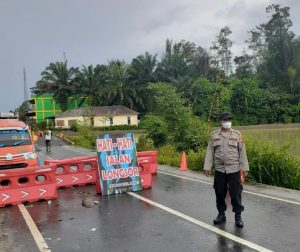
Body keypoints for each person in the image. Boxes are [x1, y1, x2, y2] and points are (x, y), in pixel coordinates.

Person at [204, 112, 249, 228]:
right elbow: (210, 152)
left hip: (234, 169)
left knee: (236, 193)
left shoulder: (237, 135)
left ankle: (238, 216)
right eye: (225, 120)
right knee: (219, 193)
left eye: (229, 119)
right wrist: (207, 167)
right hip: (219, 169)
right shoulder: (214, 135)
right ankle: (221, 214)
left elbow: (242, 152)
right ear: (221, 122)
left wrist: (244, 168)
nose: (227, 122)